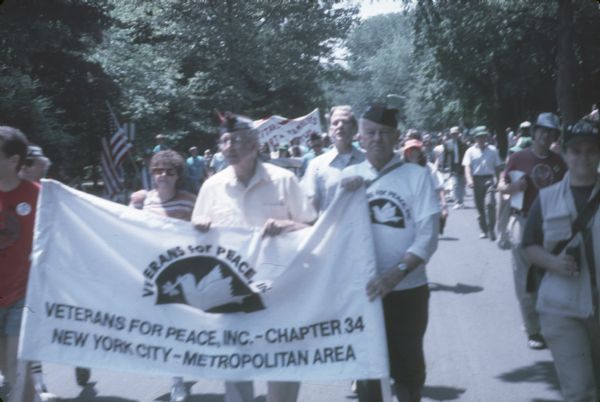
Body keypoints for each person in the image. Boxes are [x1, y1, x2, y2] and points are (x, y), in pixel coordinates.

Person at [191, 112, 316, 402]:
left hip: (279, 292)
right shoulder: (212, 187)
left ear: (254, 144)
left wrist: (288, 225)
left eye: (236, 140)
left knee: (282, 368)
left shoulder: (283, 180)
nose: (229, 146)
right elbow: (195, 235)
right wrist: (199, 227)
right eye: (224, 140)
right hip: (230, 293)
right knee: (234, 370)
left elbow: (311, 228)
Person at [342, 104, 440, 402]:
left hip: (407, 290)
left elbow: (428, 237)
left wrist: (395, 274)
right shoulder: (348, 176)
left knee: (408, 369)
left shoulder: (417, 176)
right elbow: (332, 234)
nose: (377, 139)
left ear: (396, 136)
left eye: (385, 133)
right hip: (363, 292)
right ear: (359, 136)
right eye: (370, 132)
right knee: (368, 371)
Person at [522, 118, 600, 402]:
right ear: (565, 154)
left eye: (591, 150)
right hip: (562, 307)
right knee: (580, 390)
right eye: (576, 151)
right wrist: (553, 263)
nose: (583, 157)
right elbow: (528, 245)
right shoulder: (546, 198)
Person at [130, 150, 196, 402]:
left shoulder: (190, 200)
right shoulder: (143, 201)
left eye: (169, 171)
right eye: (158, 171)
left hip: (184, 272)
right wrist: (133, 204)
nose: (163, 175)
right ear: (152, 174)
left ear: (178, 174)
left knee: (182, 327)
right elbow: (123, 226)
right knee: (167, 328)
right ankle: (177, 379)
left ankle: (183, 376)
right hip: (153, 274)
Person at [497, 113, 567, 350]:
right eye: (543, 131)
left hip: (553, 225)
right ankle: (533, 330)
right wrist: (513, 187)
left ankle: (549, 322)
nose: (546, 136)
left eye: (551, 132)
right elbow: (502, 188)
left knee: (551, 276)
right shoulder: (518, 158)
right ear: (534, 133)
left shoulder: (560, 162)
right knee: (525, 280)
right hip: (523, 222)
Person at [0, 127, 42, 402]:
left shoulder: (39, 195)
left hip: (23, 295)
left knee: (18, 369)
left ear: (13, 160)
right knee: (7, 371)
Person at [302, 105, 365, 215]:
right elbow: (310, 209)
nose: (340, 126)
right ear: (330, 130)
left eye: (345, 122)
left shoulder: (368, 161)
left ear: (354, 128)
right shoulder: (316, 165)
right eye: (335, 123)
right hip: (330, 230)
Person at [462, 126, 502, 240]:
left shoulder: (493, 150)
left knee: (490, 204)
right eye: (479, 137)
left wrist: (499, 181)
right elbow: (467, 167)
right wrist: (469, 179)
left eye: (484, 137)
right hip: (476, 181)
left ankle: (491, 229)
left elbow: (498, 167)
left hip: (489, 179)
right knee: (480, 208)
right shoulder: (470, 151)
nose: (482, 139)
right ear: (475, 138)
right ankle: (484, 230)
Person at [403, 139, 449, 236]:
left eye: (415, 150)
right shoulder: (400, 169)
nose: (412, 153)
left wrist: (444, 205)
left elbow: (439, 186)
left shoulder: (429, 168)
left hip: (426, 207)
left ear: (420, 152)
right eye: (409, 150)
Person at [444, 126, 469, 209]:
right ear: (450, 135)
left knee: (462, 184)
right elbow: (445, 155)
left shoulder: (463, 143)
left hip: (462, 166)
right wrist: (444, 166)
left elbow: (467, 155)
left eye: (456, 134)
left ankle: (461, 201)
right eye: (453, 134)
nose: (454, 135)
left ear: (458, 134)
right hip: (453, 167)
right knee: (455, 184)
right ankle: (457, 202)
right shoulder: (447, 143)